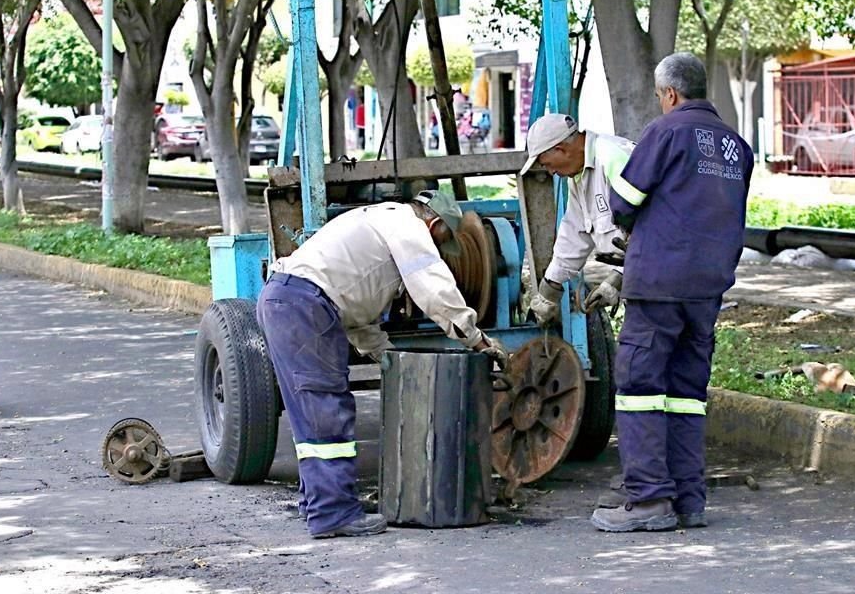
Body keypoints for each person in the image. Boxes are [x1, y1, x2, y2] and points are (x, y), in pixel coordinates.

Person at [256, 190, 509, 539]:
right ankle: (333, 514)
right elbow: (434, 290)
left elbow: (358, 316)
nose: (439, 252)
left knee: (311, 412)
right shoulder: (407, 226)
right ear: (434, 224)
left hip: (290, 301)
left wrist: (388, 358)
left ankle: (319, 502)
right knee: (327, 409)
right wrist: (476, 339)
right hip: (304, 306)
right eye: (441, 243)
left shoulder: (379, 222)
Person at [590, 52, 753, 533]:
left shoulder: (666, 132)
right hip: (708, 287)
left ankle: (647, 502)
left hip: (660, 281)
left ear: (670, 94)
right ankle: (688, 500)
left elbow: (625, 200)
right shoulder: (736, 146)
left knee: (639, 386)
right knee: (686, 393)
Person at [521, 113, 636, 326]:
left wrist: (618, 279)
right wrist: (549, 288)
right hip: (642, 286)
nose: (551, 172)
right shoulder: (578, 174)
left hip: (666, 284)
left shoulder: (615, 157)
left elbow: (654, 230)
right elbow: (575, 232)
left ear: (560, 149)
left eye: (547, 164)